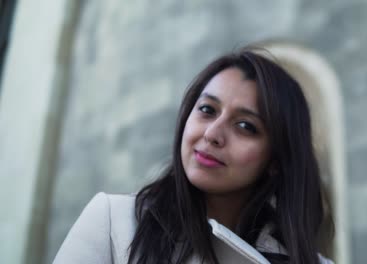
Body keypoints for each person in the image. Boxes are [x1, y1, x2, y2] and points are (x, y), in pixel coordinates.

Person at [53, 47, 334, 264]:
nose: (212, 133)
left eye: (246, 126)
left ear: (275, 159)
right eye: (207, 110)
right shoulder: (113, 221)